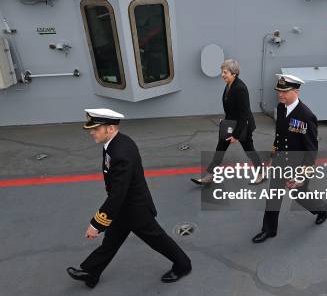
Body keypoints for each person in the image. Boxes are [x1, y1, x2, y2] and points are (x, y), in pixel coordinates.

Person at [67, 109, 192, 288]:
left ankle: (183, 265)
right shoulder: (117, 142)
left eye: (95, 128)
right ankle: (91, 272)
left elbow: (118, 194)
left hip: (134, 209)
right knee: (111, 242)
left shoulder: (120, 153)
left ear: (110, 129)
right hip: (122, 207)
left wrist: (96, 224)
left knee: (157, 240)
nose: (91, 132)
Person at [252, 74, 327, 244]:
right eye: (279, 90)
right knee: (273, 196)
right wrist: (272, 157)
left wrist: (301, 176)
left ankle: (321, 209)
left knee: (299, 194)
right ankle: (269, 230)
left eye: (285, 91)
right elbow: (279, 136)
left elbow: (311, 150)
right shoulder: (281, 108)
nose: (280, 94)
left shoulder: (306, 115)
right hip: (281, 161)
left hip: (298, 165)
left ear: (296, 92)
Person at [191, 59, 263, 185]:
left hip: (243, 126)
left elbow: (244, 114)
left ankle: (261, 173)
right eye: (222, 72)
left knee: (249, 150)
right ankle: (209, 176)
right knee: (220, 149)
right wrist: (225, 121)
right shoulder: (229, 85)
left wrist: (236, 135)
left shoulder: (240, 88)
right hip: (230, 124)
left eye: (225, 72)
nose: (222, 75)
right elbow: (231, 109)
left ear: (234, 73)